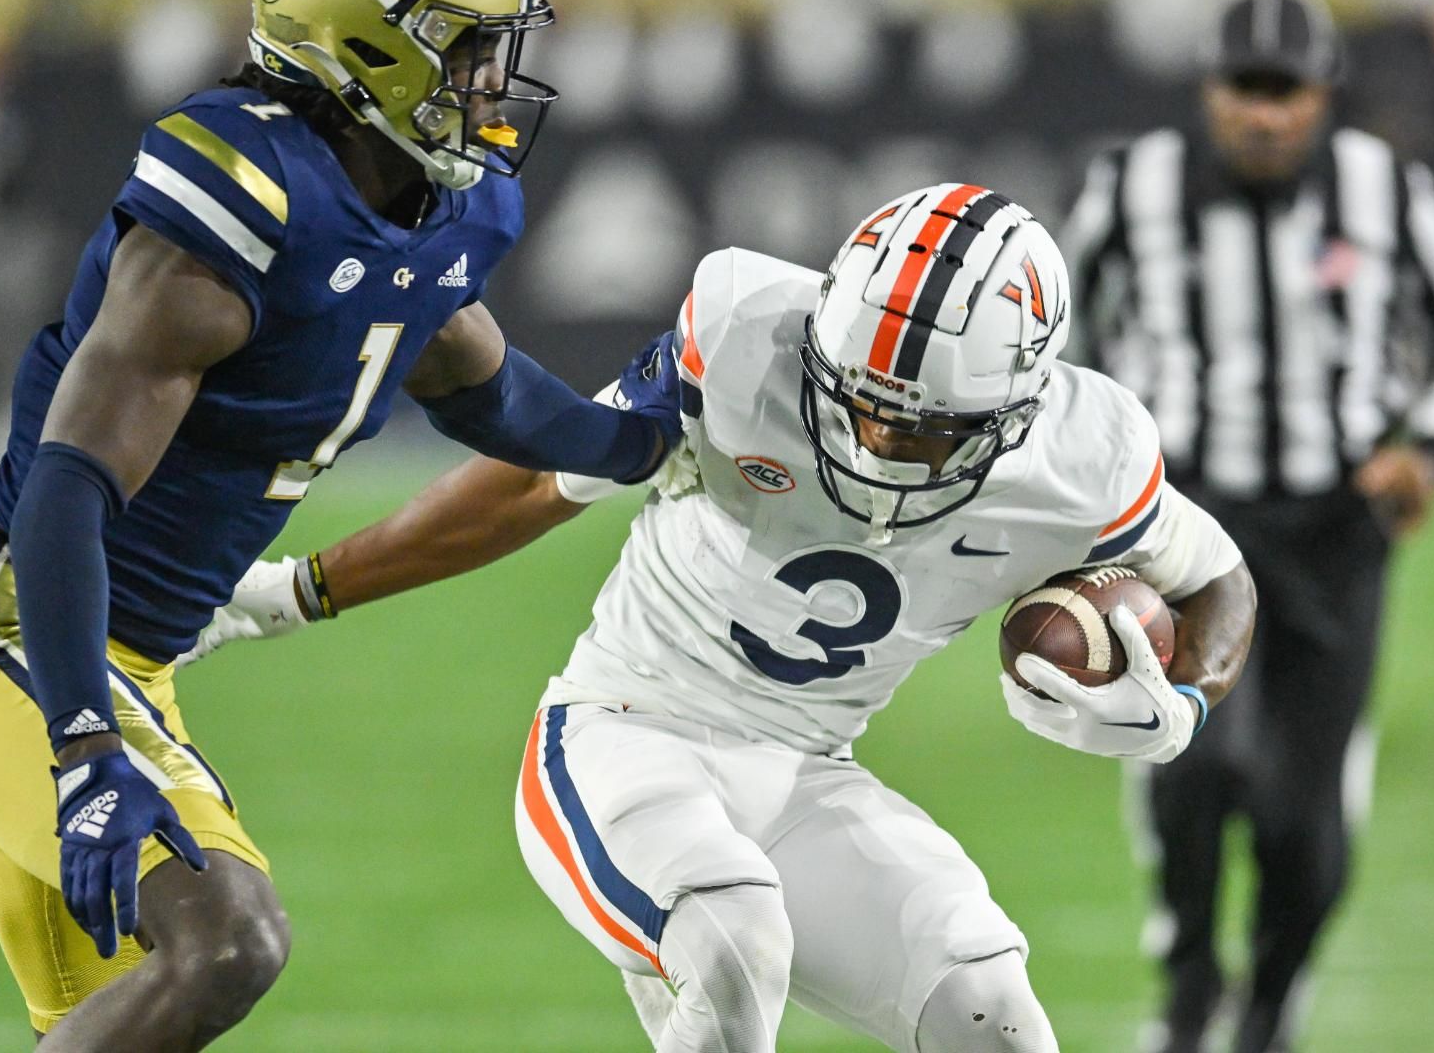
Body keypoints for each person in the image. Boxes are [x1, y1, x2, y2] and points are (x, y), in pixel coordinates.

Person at [185, 184, 1259, 1052]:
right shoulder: (748, 341)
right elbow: (536, 483)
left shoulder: (1083, 459)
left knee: (991, 1006)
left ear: (1015, 413)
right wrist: (295, 590)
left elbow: (1220, 585)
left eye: (916, 429)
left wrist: (1183, 708)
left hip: (804, 768)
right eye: (857, 402)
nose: (874, 443)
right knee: (729, 932)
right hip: (622, 729)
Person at [0, 0, 683, 1047]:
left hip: (132, 658)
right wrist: (82, 746)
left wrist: (651, 430)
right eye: (466, 47)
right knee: (230, 939)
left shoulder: (442, 208)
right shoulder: (245, 197)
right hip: (19, 622)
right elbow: (69, 484)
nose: (493, 78)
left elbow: (485, 387)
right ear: (368, 47)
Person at [1060, 0, 1434, 1053]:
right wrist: (1092, 463)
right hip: (1187, 524)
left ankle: (1267, 1005)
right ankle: (1186, 985)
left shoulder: (1388, 192)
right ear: (1209, 92)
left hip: (1332, 534)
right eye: (1244, 90)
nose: (1264, 115)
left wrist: (1428, 449)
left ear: (1323, 99)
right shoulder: (1136, 188)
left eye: (1286, 93)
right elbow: (1051, 327)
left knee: (1304, 827)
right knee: (1197, 762)